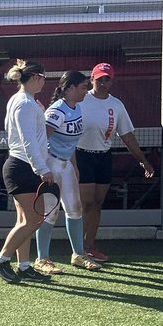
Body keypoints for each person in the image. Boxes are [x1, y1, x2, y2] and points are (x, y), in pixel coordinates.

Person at [77, 63, 156, 261]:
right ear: (92, 79)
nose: (103, 83)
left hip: (103, 156)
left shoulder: (116, 105)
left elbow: (127, 136)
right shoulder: (80, 99)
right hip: (80, 156)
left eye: (107, 79)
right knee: (84, 204)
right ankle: (78, 249)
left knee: (96, 203)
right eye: (100, 79)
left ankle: (90, 245)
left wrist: (143, 162)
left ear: (112, 81)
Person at [0, 60, 54, 284]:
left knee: (26, 220)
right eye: (43, 77)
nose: (45, 81)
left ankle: (24, 266)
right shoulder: (24, 103)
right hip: (22, 167)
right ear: (35, 77)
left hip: (24, 166)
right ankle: (1, 260)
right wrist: (42, 169)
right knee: (33, 221)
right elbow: (28, 142)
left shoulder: (26, 101)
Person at [34, 70, 101, 273]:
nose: (86, 90)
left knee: (75, 209)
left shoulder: (77, 108)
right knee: (50, 213)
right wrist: (43, 168)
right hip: (52, 165)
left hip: (66, 166)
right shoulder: (56, 111)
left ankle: (78, 255)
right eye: (82, 87)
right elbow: (41, 140)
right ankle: (42, 258)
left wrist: (74, 165)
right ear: (70, 88)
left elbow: (70, 143)